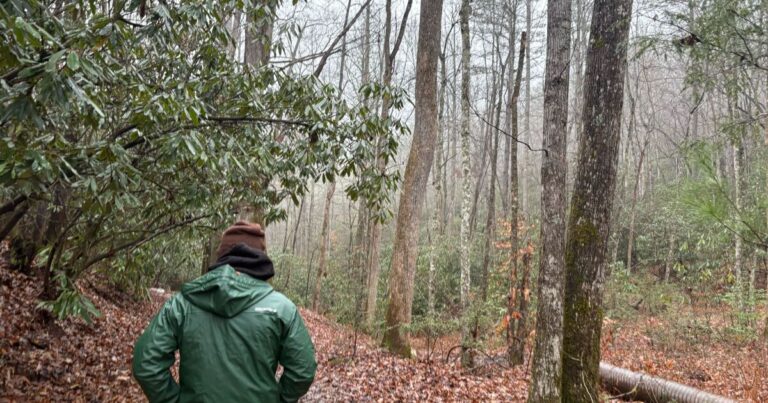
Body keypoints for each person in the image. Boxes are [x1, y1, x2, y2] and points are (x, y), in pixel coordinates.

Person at [133, 221, 317, 403]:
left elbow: (147, 363)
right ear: (261, 257)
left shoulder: (182, 304)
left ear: (221, 255)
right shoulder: (282, 308)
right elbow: (303, 370)